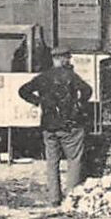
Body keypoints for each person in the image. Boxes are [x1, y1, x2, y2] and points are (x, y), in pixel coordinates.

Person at [19, 47, 94, 206]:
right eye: (68, 58)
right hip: (71, 125)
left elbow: (23, 91)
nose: (70, 61)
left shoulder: (42, 77)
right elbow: (87, 90)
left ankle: (54, 199)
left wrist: (38, 102)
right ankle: (71, 197)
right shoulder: (71, 76)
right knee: (74, 160)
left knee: (52, 162)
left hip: (49, 125)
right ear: (63, 58)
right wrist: (79, 104)